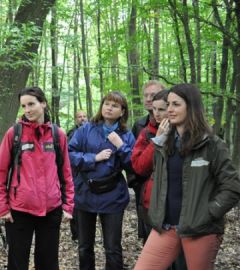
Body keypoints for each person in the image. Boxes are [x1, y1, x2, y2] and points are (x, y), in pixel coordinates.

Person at [134, 84, 240, 270]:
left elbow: (232, 186)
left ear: (191, 107)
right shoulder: (164, 143)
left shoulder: (212, 145)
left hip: (199, 230)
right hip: (165, 228)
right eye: (168, 104)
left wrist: (208, 213)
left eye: (176, 104)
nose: (170, 109)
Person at [0, 86, 74, 270]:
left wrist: (68, 205)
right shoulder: (14, 134)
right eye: (23, 106)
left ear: (43, 103)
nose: (27, 110)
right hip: (19, 211)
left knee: (48, 263)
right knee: (17, 263)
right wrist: (3, 208)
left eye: (31, 104)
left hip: (51, 210)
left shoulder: (57, 135)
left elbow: (66, 173)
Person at [69, 91, 135, 270]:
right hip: (85, 193)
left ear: (122, 111)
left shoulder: (126, 135)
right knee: (84, 247)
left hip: (113, 195)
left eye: (115, 106)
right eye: (107, 103)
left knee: (112, 248)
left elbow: (134, 165)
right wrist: (93, 158)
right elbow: (70, 154)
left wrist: (120, 146)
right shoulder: (86, 129)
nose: (109, 108)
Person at [130, 80, 166, 242]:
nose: (149, 99)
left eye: (154, 95)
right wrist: (137, 184)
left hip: (167, 195)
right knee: (148, 236)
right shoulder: (140, 126)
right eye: (146, 95)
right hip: (144, 190)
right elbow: (134, 159)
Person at [66, 110, 88, 241]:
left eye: (84, 116)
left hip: (89, 172)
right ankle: (76, 234)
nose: (82, 119)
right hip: (74, 174)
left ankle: (85, 234)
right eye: (79, 117)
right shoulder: (71, 133)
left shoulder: (93, 132)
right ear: (75, 119)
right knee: (74, 204)